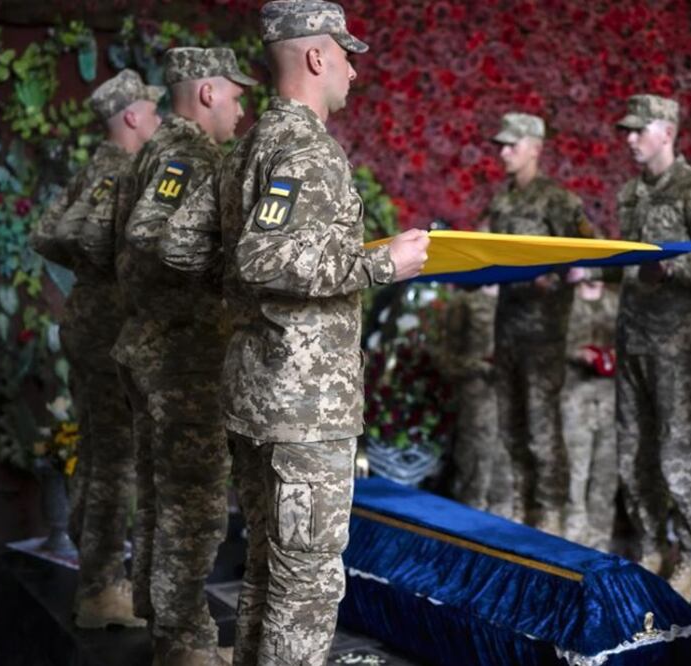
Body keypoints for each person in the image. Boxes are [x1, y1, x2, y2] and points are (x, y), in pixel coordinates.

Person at [217, 2, 429, 663]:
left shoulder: (251, 143)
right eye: (347, 56)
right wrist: (379, 262)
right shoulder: (305, 148)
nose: (353, 73)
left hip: (263, 396)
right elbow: (260, 256)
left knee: (270, 571)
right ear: (316, 56)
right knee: (304, 586)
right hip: (301, 409)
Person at [112, 47, 256, 665]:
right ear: (206, 94)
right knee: (192, 506)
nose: (243, 107)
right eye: (236, 94)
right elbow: (150, 234)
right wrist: (228, 271)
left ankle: (164, 623)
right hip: (183, 357)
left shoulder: (151, 151)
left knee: (163, 496)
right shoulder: (190, 154)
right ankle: (185, 642)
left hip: (155, 347)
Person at [29, 69, 161, 630]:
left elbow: (45, 232)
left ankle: (100, 580)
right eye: (152, 111)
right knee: (114, 459)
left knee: (103, 451)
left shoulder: (94, 170)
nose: (158, 119)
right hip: (110, 330)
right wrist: (112, 272)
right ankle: (104, 586)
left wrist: (90, 269)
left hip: (88, 321)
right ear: (131, 116)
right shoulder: (124, 173)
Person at [604, 94, 691, 602]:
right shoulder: (628, 195)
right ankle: (650, 545)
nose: (630, 140)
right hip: (632, 336)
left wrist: (676, 269)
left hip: (677, 345)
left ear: (667, 131)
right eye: (627, 131)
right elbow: (626, 264)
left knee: (679, 451)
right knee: (634, 449)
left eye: (639, 130)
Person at [486, 112, 593, 535]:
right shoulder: (501, 201)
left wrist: (556, 275)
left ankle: (550, 512)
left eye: (513, 144)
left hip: (543, 332)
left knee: (542, 427)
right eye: (501, 144)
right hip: (508, 327)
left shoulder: (559, 201)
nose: (504, 152)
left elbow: (589, 255)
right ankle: (521, 502)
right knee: (510, 423)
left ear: (535, 147)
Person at [439, 278, 513, 517]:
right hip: (477, 399)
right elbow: (447, 359)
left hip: (510, 399)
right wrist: (480, 366)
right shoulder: (465, 303)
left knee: (507, 473)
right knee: (474, 470)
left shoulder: (515, 302)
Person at [560, 278, 619, 550]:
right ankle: (572, 540)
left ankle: (599, 543)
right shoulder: (565, 301)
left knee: (605, 475)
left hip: (610, 400)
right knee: (575, 471)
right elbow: (548, 340)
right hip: (575, 398)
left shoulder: (616, 301)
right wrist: (577, 353)